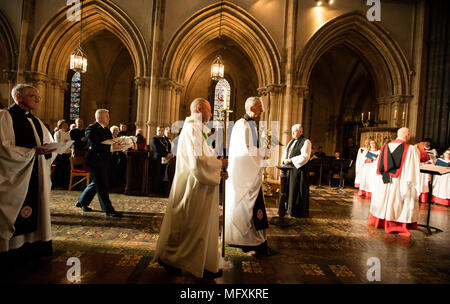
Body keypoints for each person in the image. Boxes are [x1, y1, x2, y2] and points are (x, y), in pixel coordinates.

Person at [153, 98, 228, 278]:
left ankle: (204, 264)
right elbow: (197, 161)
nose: (211, 114)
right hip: (194, 185)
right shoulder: (192, 129)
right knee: (190, 226)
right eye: (209, 110)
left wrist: (219, 168)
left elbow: (205, 155)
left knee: (198, 226)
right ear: (200, 108)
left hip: (201, 185)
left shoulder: (198, 129)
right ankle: (170, 258)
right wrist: (218, 166)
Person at [0, 84, 56, 266]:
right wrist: (32, 153)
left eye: (38, 96)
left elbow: (48, 142)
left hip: (36, 172)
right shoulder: (5, 117)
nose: (38, 100)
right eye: (33, 96)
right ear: (18, 96)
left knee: (36, 206)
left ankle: (32, 246)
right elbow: (4, 148)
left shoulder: (36, 121)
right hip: (18, 176)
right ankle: (12, 250)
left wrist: (52, 150)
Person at [225, 96, 277, 256]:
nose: (262, 110)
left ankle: (246, 242)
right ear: (252, 108)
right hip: (246, 176)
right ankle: (256, 244)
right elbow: (246, 151)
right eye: (260, 107)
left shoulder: (245, 125)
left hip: (245, 174)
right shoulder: (244, 125)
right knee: (252, 207)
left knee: (247, 208)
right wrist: (264, 152)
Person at [368, 127, 421, 237]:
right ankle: (395, 223)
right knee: (395, 201)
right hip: (399, 180)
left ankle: (381, 220)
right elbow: (413, 168)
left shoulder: (385, 147)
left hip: (385, 179)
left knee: (385, 200)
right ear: (407, 135)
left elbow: (378, 167)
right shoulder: (410, 149)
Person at [75, 109, 122, 217]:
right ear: (99, 117)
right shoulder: (91, 128)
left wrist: (118, 146)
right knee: (102, 185)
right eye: (107, 116)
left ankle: (82, 202)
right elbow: (95, 144)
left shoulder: (107, 130)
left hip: (105, 160)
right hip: (95, 160)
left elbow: (110, 144)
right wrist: (111, 146)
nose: (109, 118)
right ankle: (108, 210)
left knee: (96, 183)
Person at [280, 124, 311, 218]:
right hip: (289, 169)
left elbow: (305, 156)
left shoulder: (306, 142)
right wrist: (284, 160)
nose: (292, 133)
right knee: (289, 189)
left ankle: (297, 211)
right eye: (292, 131)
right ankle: (289, 209)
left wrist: (291, 160)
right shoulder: (291, 142)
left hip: (299, 170)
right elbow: (285, 152)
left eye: (295, 131)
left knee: (296, 190)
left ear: (301, 132)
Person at [150, 126, 173, 195]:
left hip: (165, 159)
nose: (160, 132)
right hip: (157, 159)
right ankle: (155, 191)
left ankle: (160, 190)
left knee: (162, 174)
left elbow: (168, 146)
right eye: (159, 130)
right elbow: (157, 149)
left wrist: (169, 153)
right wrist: (166, 154)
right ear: (156, 131)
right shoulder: (154, 138)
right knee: (157, 175)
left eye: (162, 131)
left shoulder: (165, 139)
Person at [53, 119, 72, 189]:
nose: (66, 126)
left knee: (65, 169)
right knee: (59, 169)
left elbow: (70, 141)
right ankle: (57, 184)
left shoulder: (67, 133)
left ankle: (64, 184)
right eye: (64, 125)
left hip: (67, 153)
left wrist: (68, 143)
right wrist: (64, 143)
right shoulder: (58, 133)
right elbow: (57, 143)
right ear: (60, 126)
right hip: (60, 153)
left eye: (66, 125)